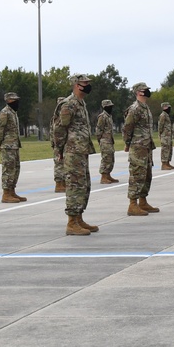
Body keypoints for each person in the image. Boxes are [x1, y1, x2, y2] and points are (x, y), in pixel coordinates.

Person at [53, 74, 98, 235]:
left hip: (81, 151)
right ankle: (71, 222)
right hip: (72, 151)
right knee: (74, 185)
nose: (87, 85)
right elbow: (59, 129)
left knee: (84, 185)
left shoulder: (80, 103)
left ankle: (79, 218)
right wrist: (58, 150)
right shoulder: (69, 104)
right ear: (76, 85)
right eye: (84, 83)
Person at [124, 82, 158, 215]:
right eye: (145, 90)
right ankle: (133, 204)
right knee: (137, 175)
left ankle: (143, 201)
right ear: (138, 92)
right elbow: (127, 127)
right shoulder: (135, 108)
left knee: (146, 175)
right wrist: (127, 143)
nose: (147, 92)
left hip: (146, 146)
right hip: (138, 147)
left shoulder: (145, 107)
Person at [0, 92, 26, 203]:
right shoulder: (5, 112)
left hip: (14, 145)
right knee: (8, 169)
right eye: (14, 100)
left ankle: (12, 191)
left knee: (15, 168)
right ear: (8, 101)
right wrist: (0, 143)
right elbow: (0, 129)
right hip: (7, 146)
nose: (16, 102)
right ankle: (6, 194)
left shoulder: (13, 112)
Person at [96, 99, 118, 184]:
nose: (110, 108)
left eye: (111, 106)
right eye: (109, 106)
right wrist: (100, 140)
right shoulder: (102, 116)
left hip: (109, 140)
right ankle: (103, 177)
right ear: (105, 107)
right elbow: (99, 129)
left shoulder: (109, 116)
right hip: (104, 141)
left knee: (111, 158)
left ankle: (108, 175)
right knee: (106, 159)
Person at [50, 96, 67, 192]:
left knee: (64, 164)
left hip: (63, 143)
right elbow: (53, 132)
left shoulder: (63, 116)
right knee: (59, 164)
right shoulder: (56, 118)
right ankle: (59, 184)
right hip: (58, 143)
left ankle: (63, 183)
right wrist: (54, 144)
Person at [158, 102, 174, 170]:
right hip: (164, 136)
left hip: (168, 136)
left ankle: (167, 163)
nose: (169, 108)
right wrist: (160, 134)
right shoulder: (163, 115)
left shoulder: (166, 115)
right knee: (165, 149)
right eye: (167, 107)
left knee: (169, 149)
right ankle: (164, 164)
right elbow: (160, 126)